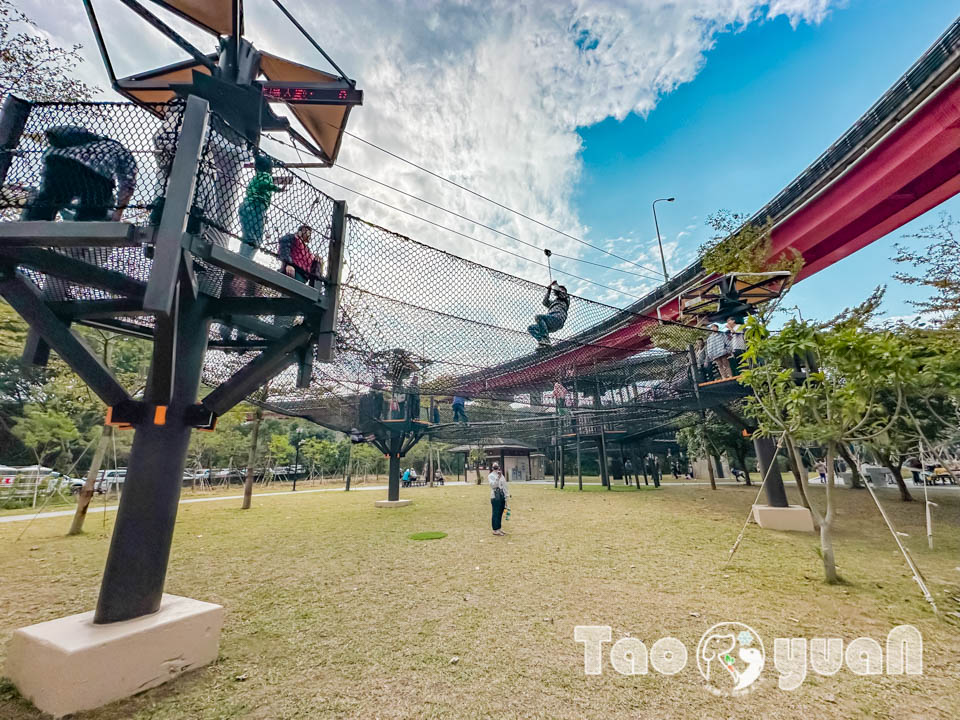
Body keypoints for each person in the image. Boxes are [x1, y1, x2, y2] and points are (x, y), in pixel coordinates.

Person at [24, 126, 138, 222]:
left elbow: (46, 172)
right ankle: (89, 220)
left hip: (56, 162)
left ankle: (36, 219)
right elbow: (127, 184)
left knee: (50, 199)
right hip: (93, 175)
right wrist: (118, 213)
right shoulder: (119, 150)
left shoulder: (72, 142)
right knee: (94, 202)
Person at [237, 154, 282, 258]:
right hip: (257, 206)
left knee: (247, 236)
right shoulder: (267, 176)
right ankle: (245, 261)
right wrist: (277, 189)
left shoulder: (255, 178)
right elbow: (265, 183)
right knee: (256, 239)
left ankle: (241, 256)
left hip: (246, 204)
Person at [528, 281, 570, 348]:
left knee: (539, 317)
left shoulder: (566, 298)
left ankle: (545, 339)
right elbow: (545, 302)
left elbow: (558, 292)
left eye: (562, 289)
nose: (560, 290)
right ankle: (543, 341)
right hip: (549, 322)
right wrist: (549, 291)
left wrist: (555, 284)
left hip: (557, 319)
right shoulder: (554, 303)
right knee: (531, 328)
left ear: (565, 291)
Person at [488, 462, 509, 536]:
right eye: (495, 467)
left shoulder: (501, 475)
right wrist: (498, 478)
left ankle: (499, 528)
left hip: (502, 495)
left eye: (497, 466)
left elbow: (505, 485)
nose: (496, 468)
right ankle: (495, 529)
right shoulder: (490, 476)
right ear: (492, 468)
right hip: (495, 496)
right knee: (495, 513)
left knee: (500, 512)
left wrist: (507, 496)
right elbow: (493, 485)